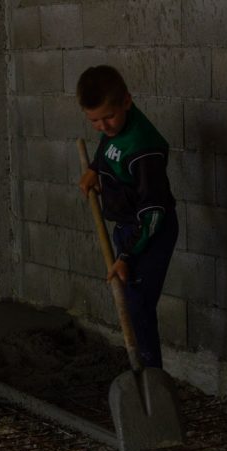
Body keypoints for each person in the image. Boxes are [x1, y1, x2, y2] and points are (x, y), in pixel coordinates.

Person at [76, 65, 178, 369]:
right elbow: (108, 147)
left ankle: (150, 374)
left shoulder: (144, 150)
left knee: (138, 305)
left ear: (127, 102)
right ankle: (143, 371)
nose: (103, 126)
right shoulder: (117, 129)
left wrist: (127, 256)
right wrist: (95, 168)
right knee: (132, 305)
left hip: (149, 234)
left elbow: (153, 214)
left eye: (107, 117)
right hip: (128, 228)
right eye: (93, 120)